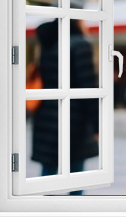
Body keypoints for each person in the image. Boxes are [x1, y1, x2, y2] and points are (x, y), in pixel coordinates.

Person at [33, 17, 99, 195]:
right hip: (73, 117)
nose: (86, 24)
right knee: (76, 171)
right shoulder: (79, 45)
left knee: (48, 171)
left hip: (47, 114)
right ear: (75, 21)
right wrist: (97, 124)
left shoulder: (48, 43)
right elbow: (88, 88)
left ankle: (44, 210)